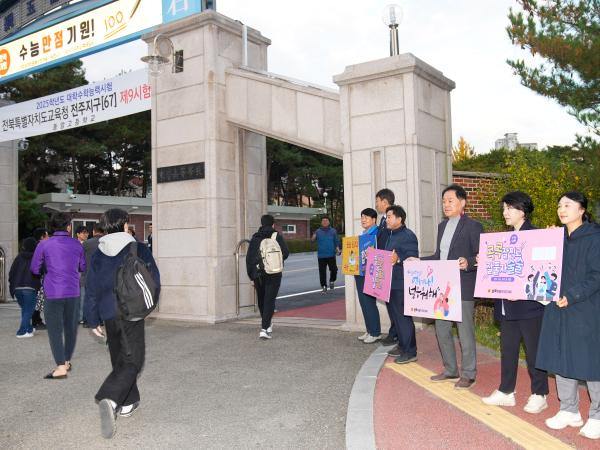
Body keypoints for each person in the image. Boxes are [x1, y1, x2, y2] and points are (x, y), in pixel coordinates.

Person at [84, 208, 160, 439]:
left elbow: (91, 289)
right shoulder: (138, 247)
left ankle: (129, 402)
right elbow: (154, 279)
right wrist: (149, 303)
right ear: (125, 224)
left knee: (120, 358)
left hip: (108, 313)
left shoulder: (98, 252)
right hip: (131, 311)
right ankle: (110, 396)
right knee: (133, 361)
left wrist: (92, 319)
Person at [536, 192, 600, 440]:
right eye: (559, 205)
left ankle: (596, 414)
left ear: (582, 210)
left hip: (585, 308)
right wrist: (546, 240)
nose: (561, 209)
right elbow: (540, 267)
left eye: (568, 205)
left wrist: (572, 295)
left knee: (591, 360)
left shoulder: (594, 237)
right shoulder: (557, 238)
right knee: (560, 354)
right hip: (556, 306)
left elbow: (596, 275)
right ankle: (569, 409)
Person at [481, 192, 548, 413]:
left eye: (509, 208)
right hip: (506, 306)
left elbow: (543, 271)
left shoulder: (537, 235)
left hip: (530, 307)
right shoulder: (503, 239)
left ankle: (540, 393)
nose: (505, 212)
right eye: (504, 208)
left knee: (534, 352)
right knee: (508, 350)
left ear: (523, 210)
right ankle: (506, 391)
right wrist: (487, 263)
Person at [421, 184, 483, 389]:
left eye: (450, 201)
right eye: (444, 201)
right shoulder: (441, 227)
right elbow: (439, 257)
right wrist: (418, 261)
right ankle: (450, 369)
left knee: (465, 332)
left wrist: (469, 262)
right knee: (442, 330)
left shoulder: (473, 226)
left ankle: (469, 373)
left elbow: (481, 256)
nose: (446, 205)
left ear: (462, 202)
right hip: (443, 287)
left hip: (463, 285)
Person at [30, 213, 86, 379]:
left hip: (53, 291)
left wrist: (46, 269)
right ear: (68, 227)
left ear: (52, 227)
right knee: (71, 329)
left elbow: (34, 268)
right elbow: (82, 266)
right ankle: (67, 360)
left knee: (55, 330)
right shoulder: (77, 244)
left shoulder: (44, 244)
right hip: (73, 291)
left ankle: (60, 366)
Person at [384, 205, 419, 363]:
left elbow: (413, 261)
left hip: (402, 283)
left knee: (403, 318)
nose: (387, 219)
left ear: (399, 219)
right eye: (386, 216)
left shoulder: (408, 236)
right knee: (395, 317)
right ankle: (402, 345)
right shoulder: (392, 235)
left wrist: (398, 260)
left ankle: (410, 351)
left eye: (390, 216)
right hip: (390, 283)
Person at [246, 214, 290, 339]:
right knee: (270, 299)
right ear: (273, 224)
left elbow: (249, 259)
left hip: (258, 274)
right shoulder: (277, 236)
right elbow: (286, 253)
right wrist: (275, 261)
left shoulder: (255, 237)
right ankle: (264, 328)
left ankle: (267, 324)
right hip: (274, 273)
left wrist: (251, 276)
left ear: (261, 224)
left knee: (261, 299)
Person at [375, 188, 399, 347]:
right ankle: (394, 332)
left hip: (393, 266)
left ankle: (396, 333)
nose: (376, 205)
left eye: (377, 201)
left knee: (396, 303)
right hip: (384, 264)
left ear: (384, 202)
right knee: (390, 302)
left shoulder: (394, 219)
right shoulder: (383, 221)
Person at [354, 208, 382, 344]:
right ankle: (370, 330)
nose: (363, 220)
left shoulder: (377, 233)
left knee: (369, 302)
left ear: (374, 219)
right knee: (364, 302)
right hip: (360, 272)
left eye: (366, 217)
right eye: (362, 217)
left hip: (370, 273)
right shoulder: (365, 234)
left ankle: (375, 332)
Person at [8, 237, 41, 338]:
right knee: (29, 310)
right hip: (30, 287)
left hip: (17, 288)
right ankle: (21, 331)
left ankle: (29, 328)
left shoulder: (18, 257)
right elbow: (41, 271)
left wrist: (13, 284)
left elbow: (11, 273)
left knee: (25, 309)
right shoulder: (37, 257)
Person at [80, 223, 105, 326]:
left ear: (93, 231)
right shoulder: (106, 243)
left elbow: (80, 259)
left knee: (88, 299)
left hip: (87, 275)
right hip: (102, 276)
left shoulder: (86, 244)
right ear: (103, 232)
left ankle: (86, 321)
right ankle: (99, 320)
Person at [311, 216, 341, 293]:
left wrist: (338, 249)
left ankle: (332, 280)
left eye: (326, 220)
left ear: (329, 222)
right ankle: (324, 286)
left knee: (334, 270)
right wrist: (313, 236)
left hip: (331, 254)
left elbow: (336, 241)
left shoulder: (333, 231)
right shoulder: (317, 231)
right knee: (322, 272)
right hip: (321, 256)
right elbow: (312, 240)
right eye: (323, 220)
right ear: (321, 222)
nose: (324, 222)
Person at [31, 227, 49, 330]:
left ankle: (37, 320)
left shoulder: (35, 246)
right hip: (39, 278)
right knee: (39, 300)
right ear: (42, 237)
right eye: (47, 235)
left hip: (37, 277)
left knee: (39, 300)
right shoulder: (40, 246)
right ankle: (36, 320)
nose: (48, 237)